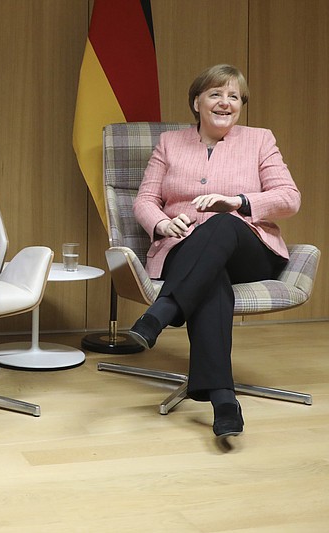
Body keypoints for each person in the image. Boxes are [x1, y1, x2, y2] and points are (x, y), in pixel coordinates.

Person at [129, 64, 301, 439]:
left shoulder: (260, 140)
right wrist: (161, 224)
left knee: (222, 223)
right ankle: (224, 399)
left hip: (248, 249)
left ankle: (165, 309)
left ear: (241, 105)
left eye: (234, 96)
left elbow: (289, 198)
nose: (225, 102)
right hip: (183, 248)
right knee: (210, 279)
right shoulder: (170, 143)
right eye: (215, 94)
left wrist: (237, 202)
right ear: (197, 102)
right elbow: (145, 200)